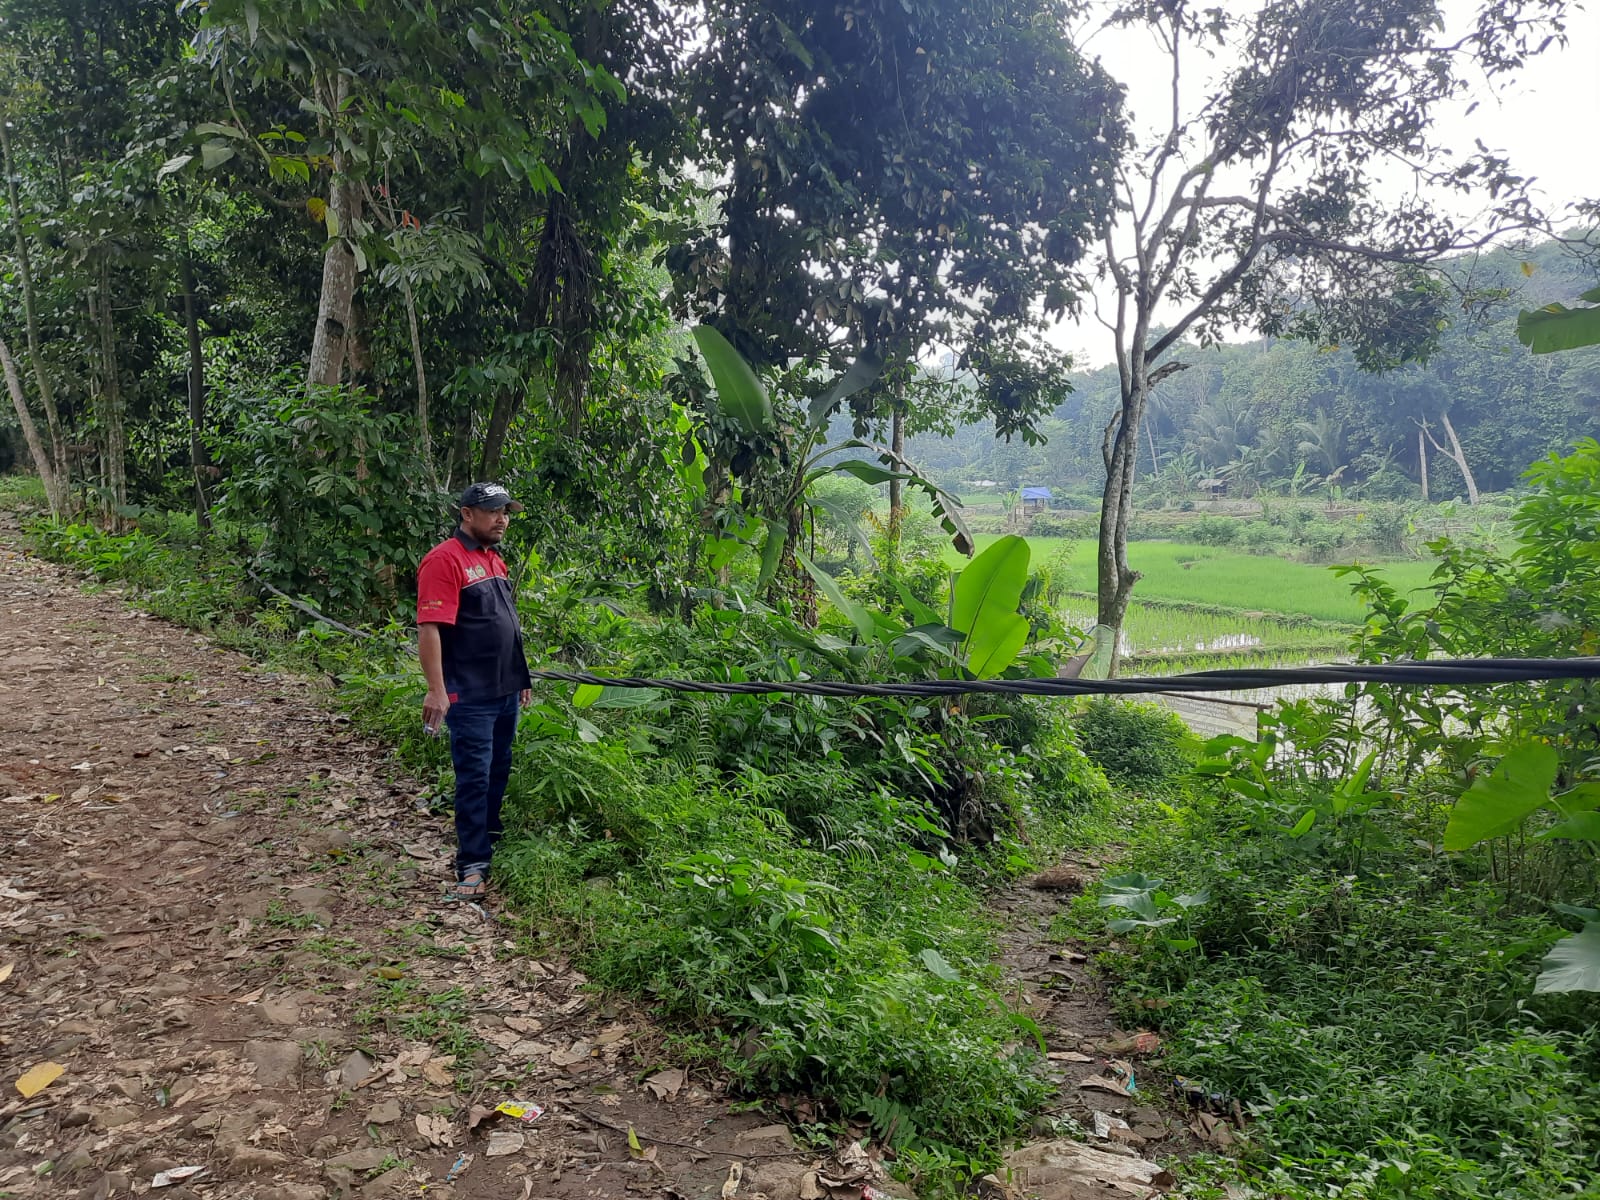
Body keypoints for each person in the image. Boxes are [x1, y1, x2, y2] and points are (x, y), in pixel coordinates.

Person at [416, 482, 532, 900]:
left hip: (503, 691)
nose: (502, 518)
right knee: (474, 778)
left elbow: (505, 625)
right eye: (492, 510)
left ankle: (491, 837)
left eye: (505, 511)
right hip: (469, 695)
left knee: (499, 770)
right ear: (466, 514)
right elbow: (430, 629)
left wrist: (521, 677)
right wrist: (437, 691)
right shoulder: (444, 561)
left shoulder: (493, 559)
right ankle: (472, 861)